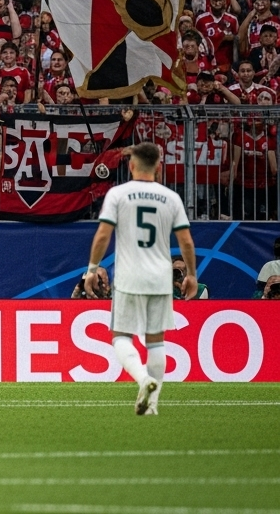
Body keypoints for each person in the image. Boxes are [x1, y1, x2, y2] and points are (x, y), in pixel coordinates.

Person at [85, 142, 196, 416]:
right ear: (158, 166)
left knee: (121, 336)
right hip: (160, 277)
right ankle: (152, 404)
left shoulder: (118, 194)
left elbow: (102, 235)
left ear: (131, 165)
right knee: (156, 341)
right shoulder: (171, 197)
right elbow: (186, 241)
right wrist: (192, 274)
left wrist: (91, 268)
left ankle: (143, 378)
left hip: (129, 276)